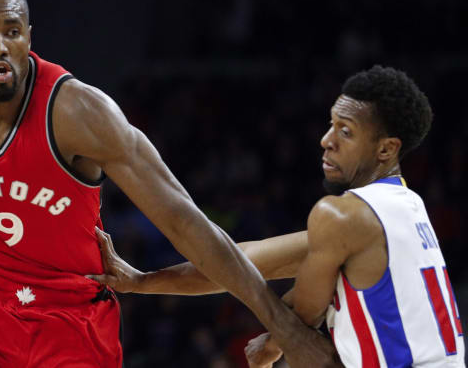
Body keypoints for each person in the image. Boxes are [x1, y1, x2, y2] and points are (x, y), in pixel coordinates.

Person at [0, 0, 338, 368]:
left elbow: (186, 222)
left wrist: (283, 328)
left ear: (28, 38)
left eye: (11, 31)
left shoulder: (80, 112)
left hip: (69, 319)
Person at [90, 66, 465, 367]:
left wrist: (273, 344)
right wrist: (143, 282)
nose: (326, 139)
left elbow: (301, 328)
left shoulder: (343, 215)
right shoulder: (405, 207)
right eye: (331, 123)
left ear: (386, 148)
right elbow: (241, 262)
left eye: (345, 131)